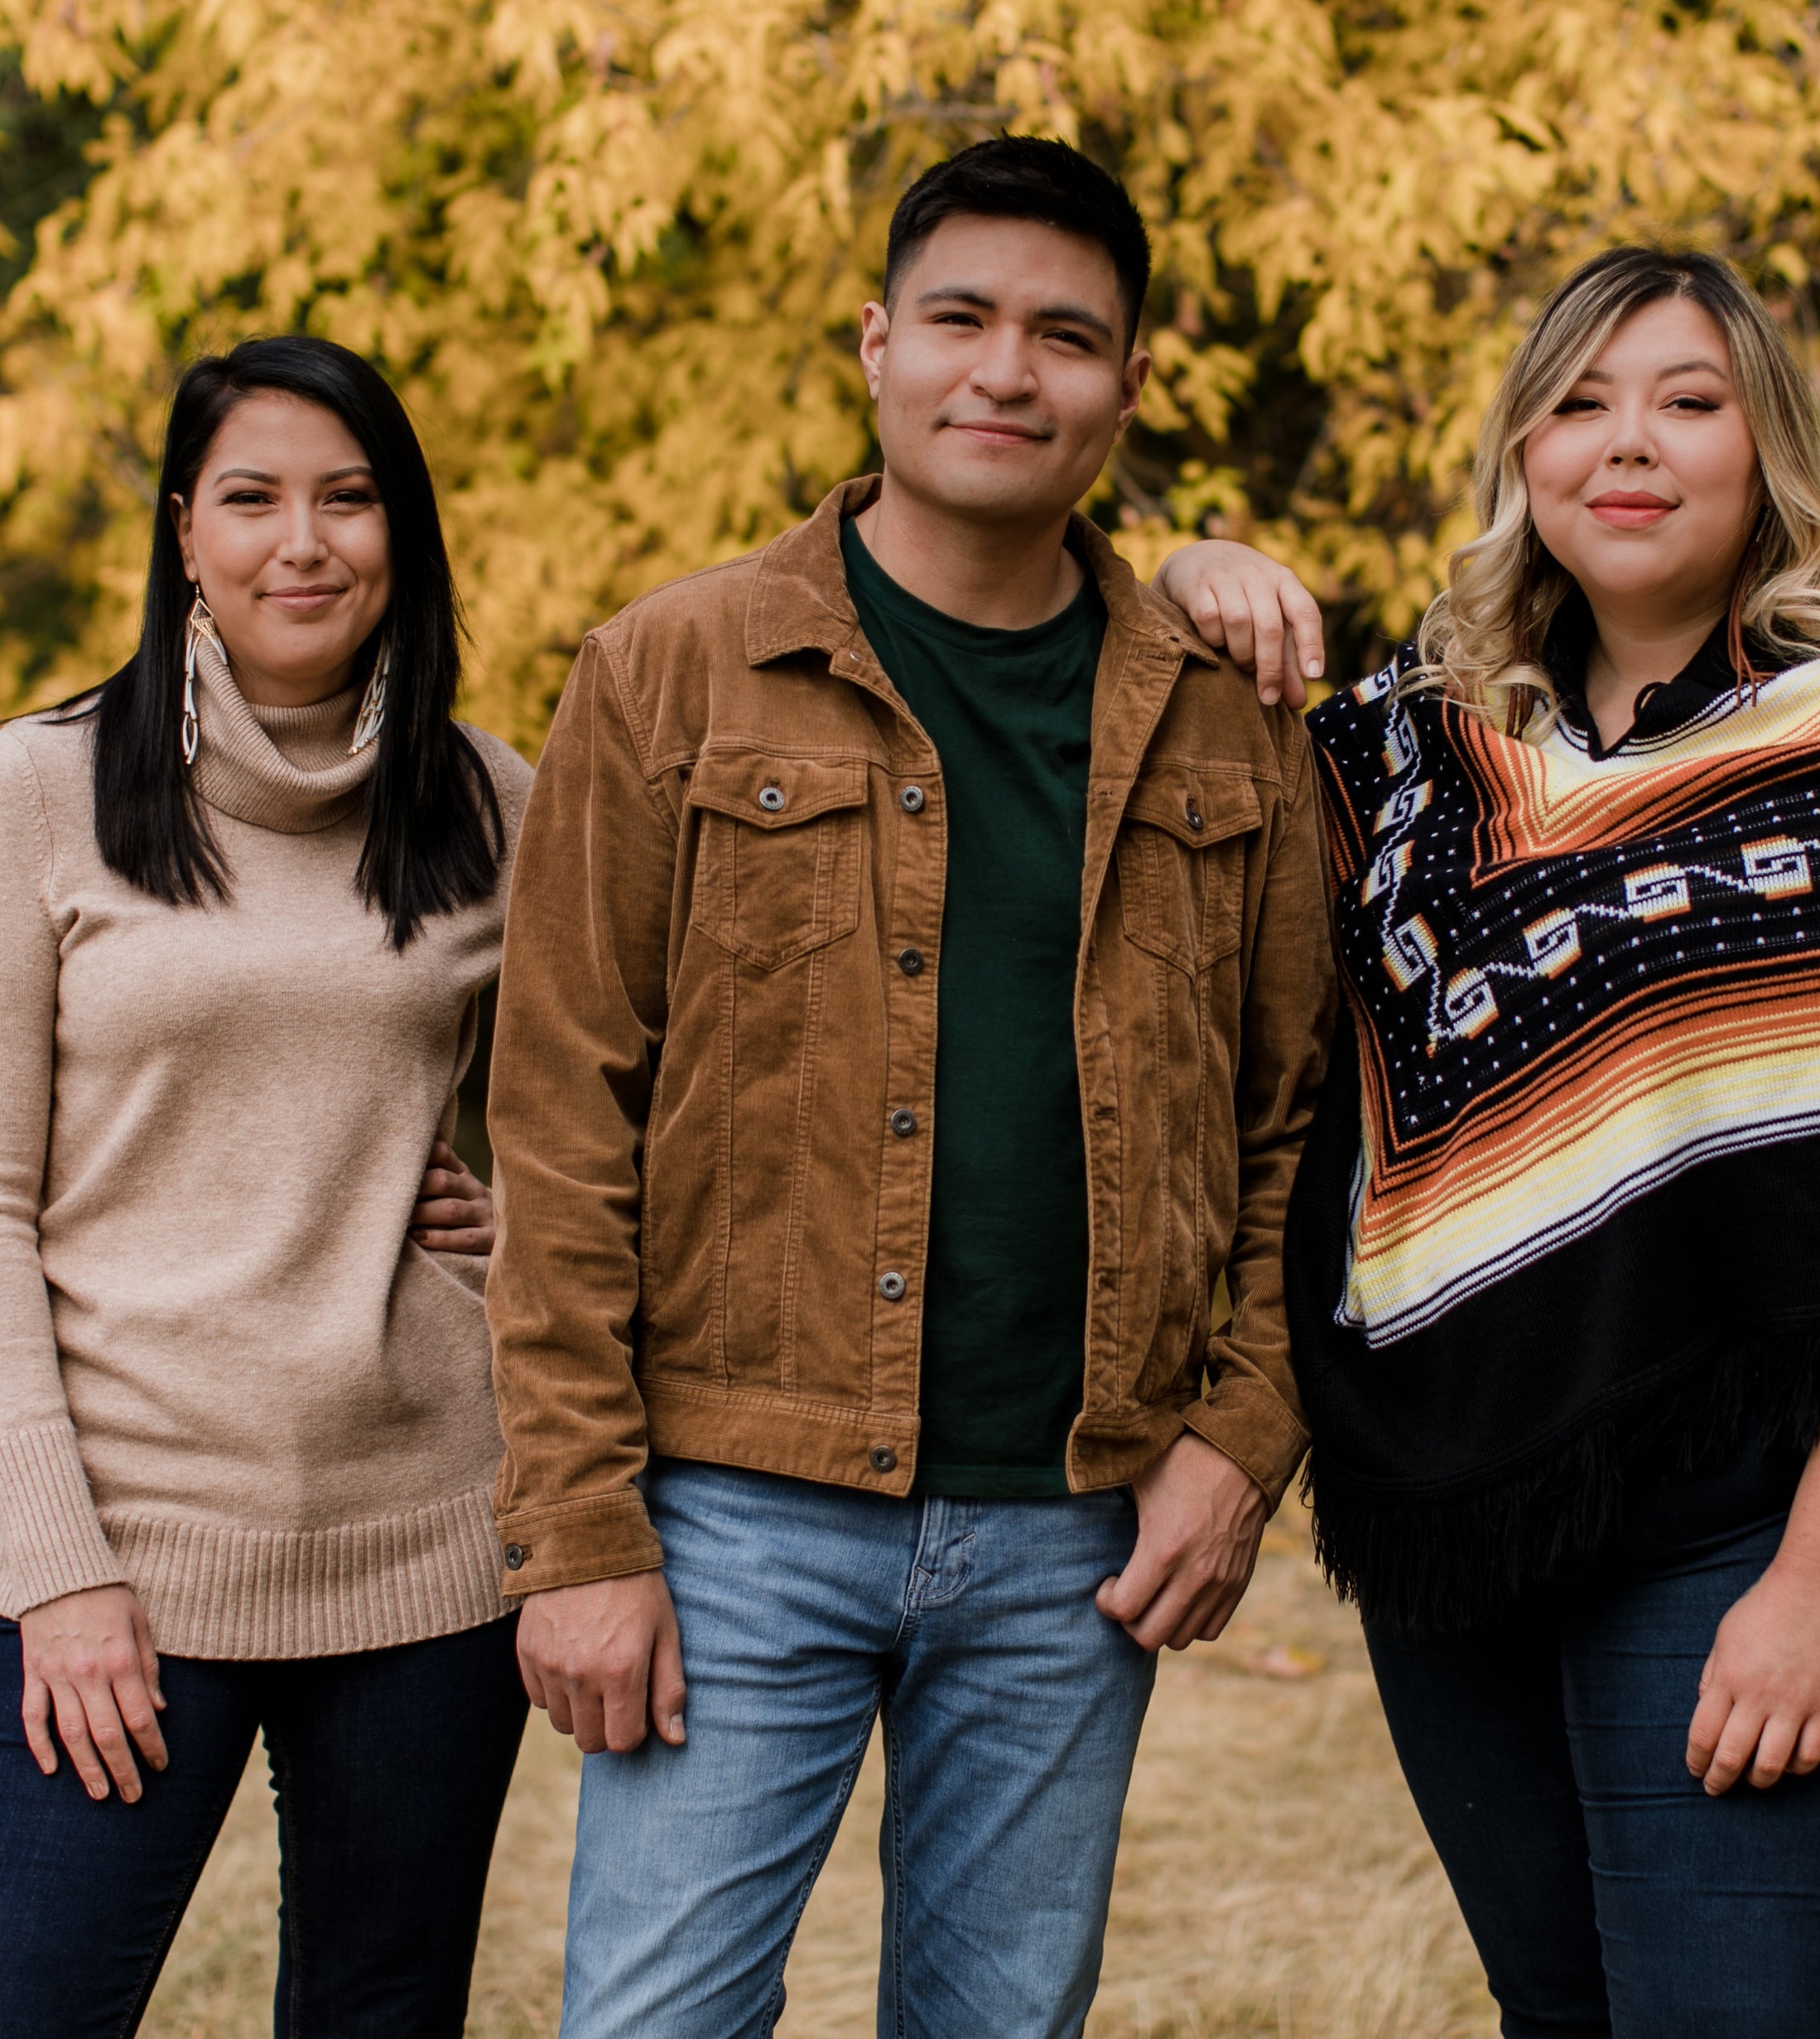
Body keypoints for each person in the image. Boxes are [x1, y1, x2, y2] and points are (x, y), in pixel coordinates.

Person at [1153, 248, 1820, 2037]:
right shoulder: (1409, 759)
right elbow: (1176, 886)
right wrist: (1181, 577)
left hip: (1744, 1529)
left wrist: (1818, 1590)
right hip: (1461, 1529)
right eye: (1580, 403)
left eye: (1687, 402)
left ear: (1763, 449)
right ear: (1520, 453)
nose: (1631, 446)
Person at [480, 135, 1336, 2037]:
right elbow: (555, 1125)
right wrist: (580, 1534)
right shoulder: (670, 672)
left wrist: (1240, 1436)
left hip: (1071, 1530)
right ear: (873, 346)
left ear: (1127, 386)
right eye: (956, 318)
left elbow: (1304, 1123)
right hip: (731, 1509)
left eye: (1063, 336)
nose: (1003, 371)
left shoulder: (1225, 711)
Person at [0, 336, 532, 2037]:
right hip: (135, 1544)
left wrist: (520, 1227)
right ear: (186, 535)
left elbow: (652, 1109)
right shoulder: (39, 789)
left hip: (431, 1558)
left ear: (402, 530)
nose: (301, 542)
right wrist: (57, 1562)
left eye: (348, 497)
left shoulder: (493, 803)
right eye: (251, 498)